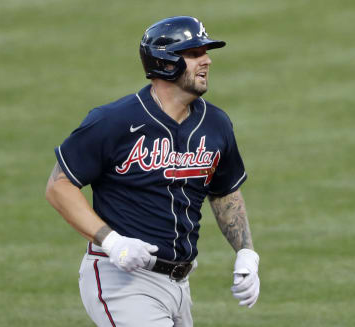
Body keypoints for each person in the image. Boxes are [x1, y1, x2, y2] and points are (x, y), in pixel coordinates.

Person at [45, 16, 260, 327]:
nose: (207, 60)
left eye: (205, 52)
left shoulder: (216, 125)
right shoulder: (113, 121)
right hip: (121, 279)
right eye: (194, 53)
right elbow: (59, 186)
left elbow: (224, 191)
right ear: (165, 63)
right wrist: (113, 242)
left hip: (180, 285)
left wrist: (246, 253)